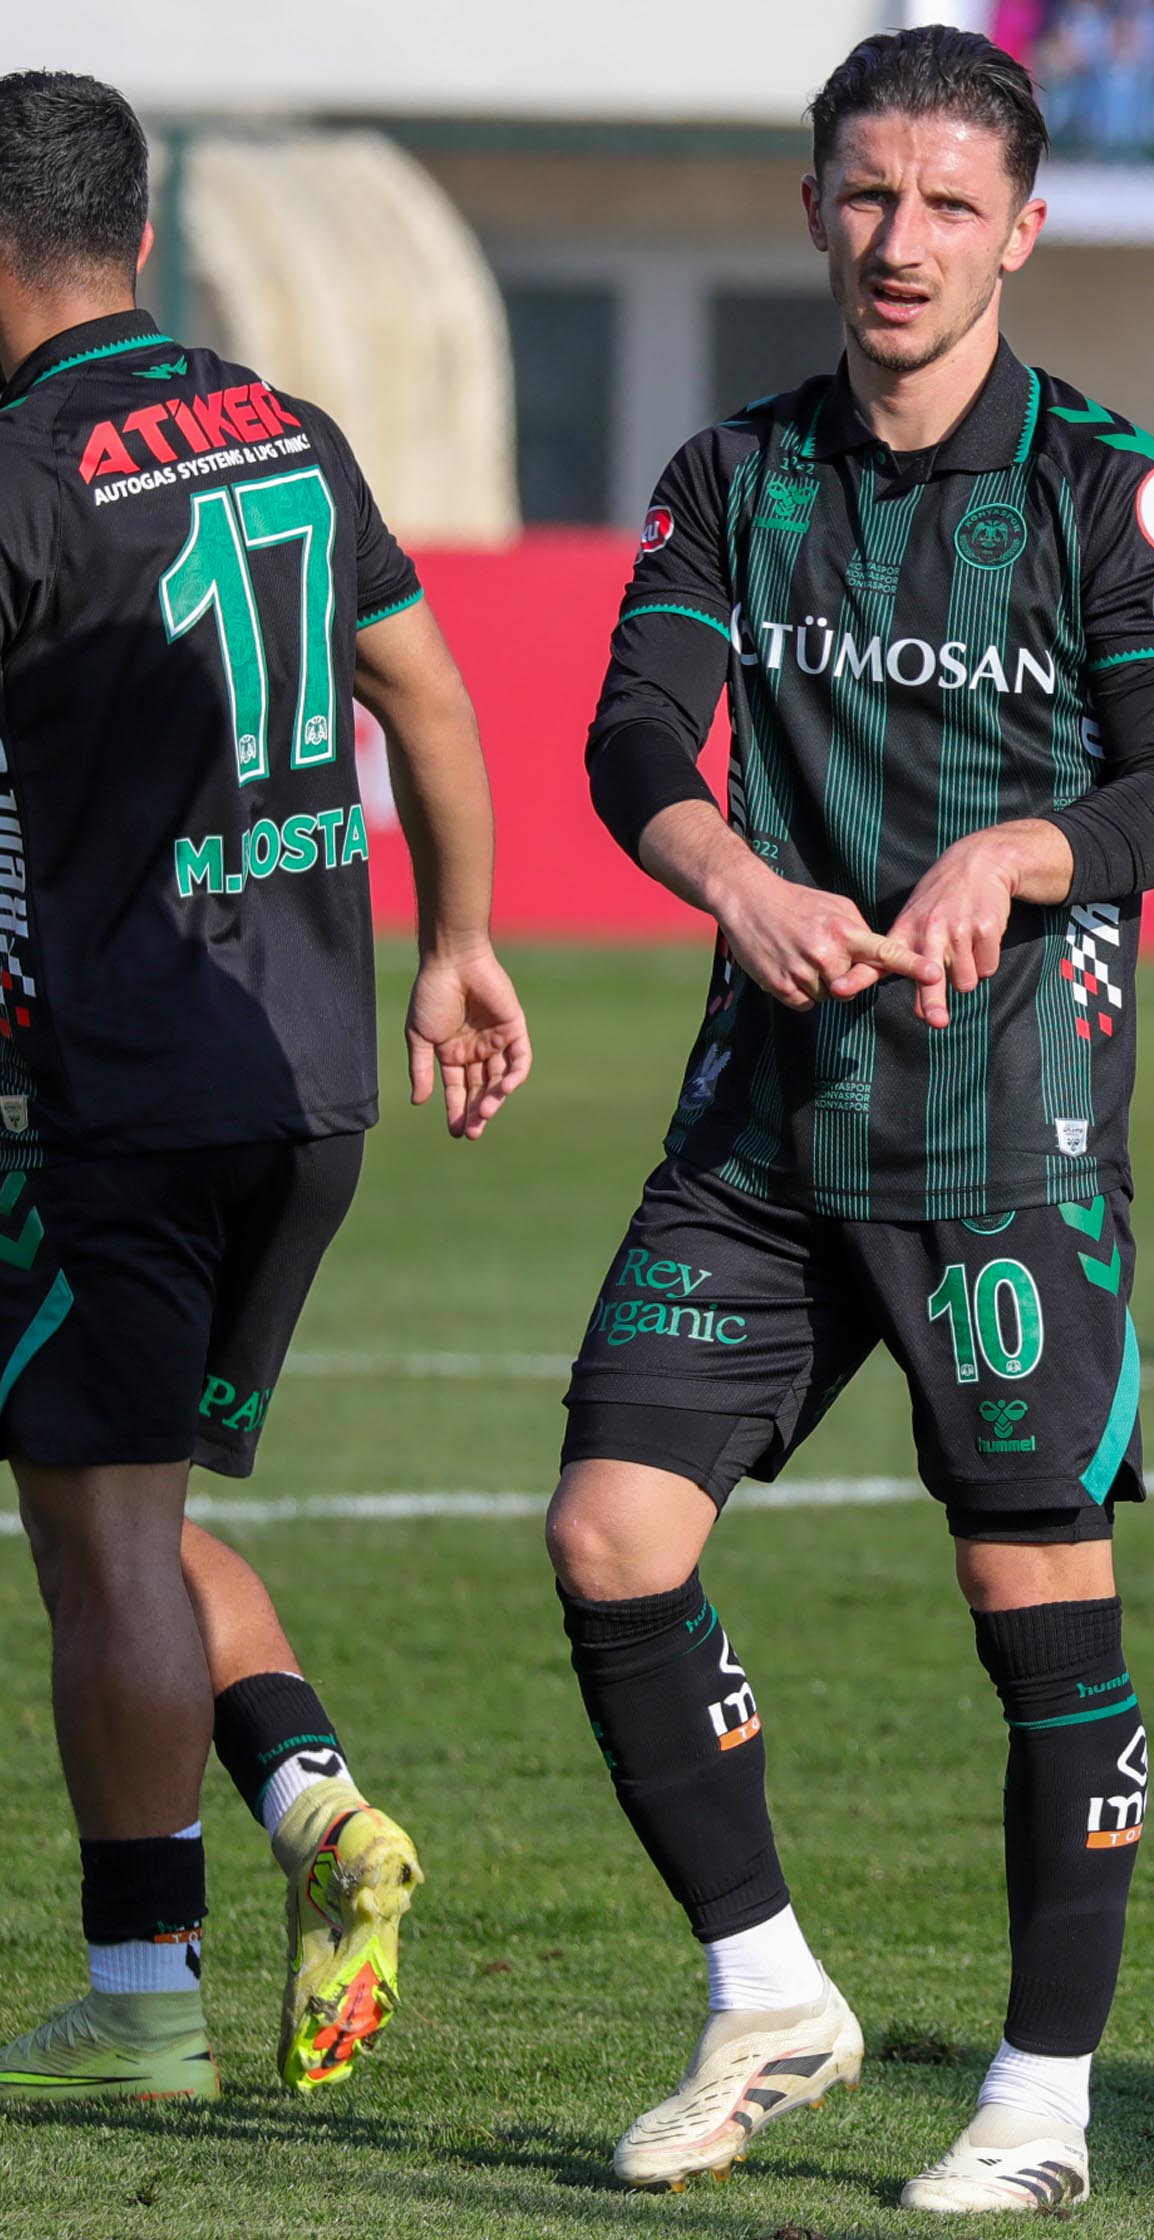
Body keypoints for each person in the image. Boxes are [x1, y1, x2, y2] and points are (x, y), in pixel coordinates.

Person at [546, 25, 1154, 2215]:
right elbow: (632, 731)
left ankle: (1041, 2099)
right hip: (762, 1123)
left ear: (1021, 231)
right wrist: (729, 877)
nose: (900, 239)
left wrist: (1015, 856)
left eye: (947, 203)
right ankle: (767, 1994)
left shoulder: (1110, 491)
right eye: (866, 194)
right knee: (609, 1536)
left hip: (1007, 1143)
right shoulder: (732, 474)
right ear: (812, 210)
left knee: (1034, 1600)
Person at [0, 72, 531, 2103]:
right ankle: (313, 1806)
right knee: (115, 1503)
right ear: (141, 237)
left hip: (115, 1090)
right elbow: (428, 694)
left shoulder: (23, 475)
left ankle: (144, 2000)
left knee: (101, 1538)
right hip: (307, 1082)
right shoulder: (283, 427)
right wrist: (460, 943)